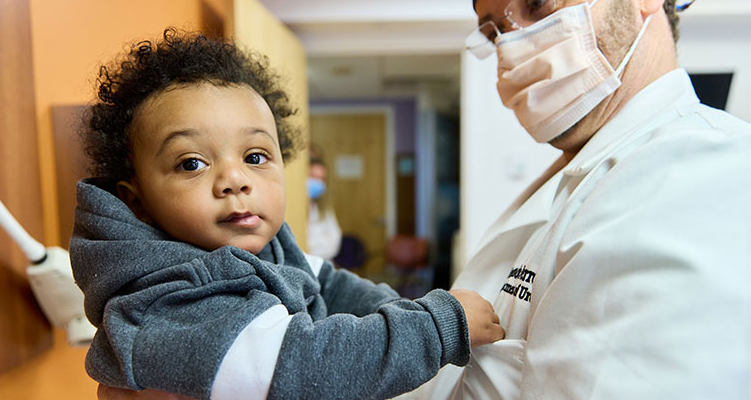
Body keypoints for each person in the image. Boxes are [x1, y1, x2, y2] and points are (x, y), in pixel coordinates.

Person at [71, 28, 505, 400]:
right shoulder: (167, 299)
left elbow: (327, 283)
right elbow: (307, 368)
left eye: (255, 156)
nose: (234, 180)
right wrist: (438, 325)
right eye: (192, 163)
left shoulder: (267, 246)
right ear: (137, 202)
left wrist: (399, 309)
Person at [400, 0, 751, 398]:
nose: (511, 49)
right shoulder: (581, 171)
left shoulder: (699, 174)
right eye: (495, 32)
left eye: (538, 1)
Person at [306, 156, 343, 261]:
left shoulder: (324, 208)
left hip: (321, 264)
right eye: (312, 176)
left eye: (321, 178)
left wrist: (312, 247)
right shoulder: (293, 208)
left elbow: (335, 243)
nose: (317, 182)